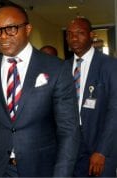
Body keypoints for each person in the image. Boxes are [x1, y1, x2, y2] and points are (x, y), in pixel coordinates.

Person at [0, 4, 80, 177]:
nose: (3, 37)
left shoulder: (56, 68)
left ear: (28, 29)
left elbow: (69, 130)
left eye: (11, 29)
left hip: (41, 168)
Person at [66, 17, 117, 177]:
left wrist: (102, 151)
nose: (74, 38)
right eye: (70, 34)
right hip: (71, 146)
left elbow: (115, 110)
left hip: (100, 144)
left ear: (91, 35)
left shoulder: (109, 65)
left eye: (80, 33)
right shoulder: (63, 67)